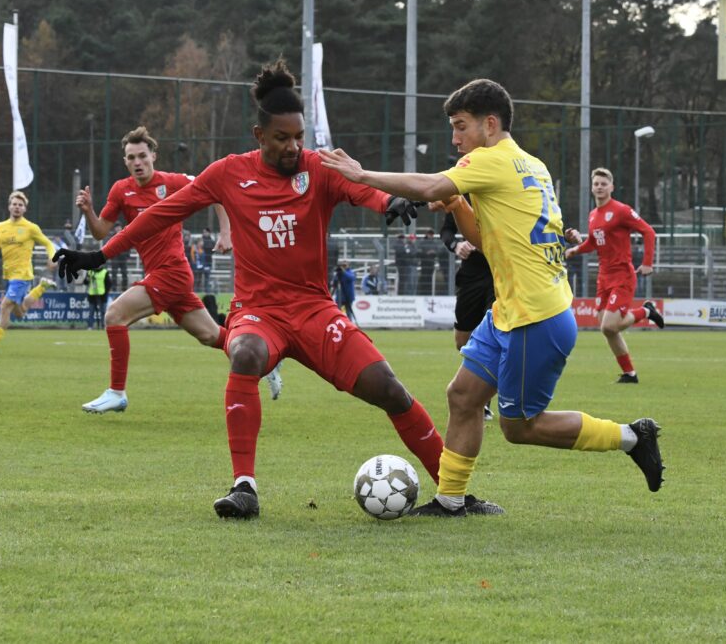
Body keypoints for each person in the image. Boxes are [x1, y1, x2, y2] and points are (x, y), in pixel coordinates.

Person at [55, 60, 449, 520]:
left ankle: (455, 492)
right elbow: (160, 216)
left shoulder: (317, 167)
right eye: (282, 138)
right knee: (242, 352)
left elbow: (362, 189)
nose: (293, 146)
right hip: (259, 311)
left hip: (315, 311)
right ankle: (244, 488)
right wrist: (99, 255)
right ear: (260, 135)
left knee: (390, 389)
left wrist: (391, 201)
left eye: (298, 136)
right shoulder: (227, 173)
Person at [320, 78, 665, 517]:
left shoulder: (492, 160)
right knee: (463, 395)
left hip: (534, 316)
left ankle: (632, 436)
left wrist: (362, 175)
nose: (455, 137)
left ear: (489, 124)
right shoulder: (531, 165)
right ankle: (450, 501)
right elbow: (485, 241)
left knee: (520, 427)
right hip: (512, 309)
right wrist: (461, 206)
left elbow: (427, 186)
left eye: (460, 126)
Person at [73, 125, 283, 413]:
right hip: (161, 277)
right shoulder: (121, 190)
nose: (137, 162)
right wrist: (88, 211)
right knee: (212, 336)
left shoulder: (172, 182)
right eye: (131, 157)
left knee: (114, 315)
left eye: (142, 156)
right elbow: (100, 233)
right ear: (125, 161)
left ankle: (116, 392)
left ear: (153, 156)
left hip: (172, 272)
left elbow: (216, 191)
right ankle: (267, 358)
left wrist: (226, 232)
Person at [563, 167, 663, 384]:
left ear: (611, 187)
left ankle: (646, 311)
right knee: (607, 328)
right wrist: (575, 249)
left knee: (609, 325)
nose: (599, 187)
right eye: (596, 184)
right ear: (592, 187)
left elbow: (648, 231)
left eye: (603, 184)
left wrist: (647, 263)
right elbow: (593, 241)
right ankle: (629, 374)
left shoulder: (621, 210)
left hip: (622, 275)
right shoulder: (593, 215)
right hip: (603, 277)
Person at [435, 195, 496, 419]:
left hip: (499, 271)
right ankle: (480, 392)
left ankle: (483, 400)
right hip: (471, 274)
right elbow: (447, 231)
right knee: (463, 341)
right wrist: (457, 244)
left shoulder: (501, 190)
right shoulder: (463, 195)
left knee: (491, 332)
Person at [0, 191, 58, 355]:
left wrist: (53, 257)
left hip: (22, 275)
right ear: (9, 206)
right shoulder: (1, 227)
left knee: (5, 306)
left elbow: (48, 243)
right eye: (14, 204)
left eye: (20, 205)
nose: (17, 207)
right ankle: (42, 287)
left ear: (24, 209)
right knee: (19, 312)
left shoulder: (30, 228)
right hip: (8, 274)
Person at [85, 263, 110, 330]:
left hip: (102, 295)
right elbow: (85, 282)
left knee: (103, 312)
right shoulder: (90, 272)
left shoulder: (105, 272)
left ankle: (103, 326)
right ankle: (90, 326)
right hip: (92, 294)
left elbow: (108, 284)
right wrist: (87, 279)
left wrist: (106, 292)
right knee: (91, 312)